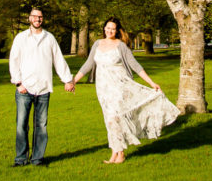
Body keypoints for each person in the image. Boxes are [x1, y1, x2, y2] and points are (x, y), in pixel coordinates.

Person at [72, 17, 179, 164]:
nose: (109, 30)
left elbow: (135, 65)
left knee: (115, 118)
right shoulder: (97, 44)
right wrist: (73, 81)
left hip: (119, 87)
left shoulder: (121, 46)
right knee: (109, 119)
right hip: (103, 89)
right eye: (107, 27)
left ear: (117, 31)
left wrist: (151, 82)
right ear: (104, 28)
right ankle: (115, 152)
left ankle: (120, 153)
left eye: (113, 28)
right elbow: (88, 64)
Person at [8, 7, 75, 167]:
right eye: (35, 16)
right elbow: (14, 61)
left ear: (42, 20)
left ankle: (37, 159)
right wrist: (18, 83)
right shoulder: (21, 38)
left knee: (41, 126)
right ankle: (21, 159)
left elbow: (58, 60)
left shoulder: (49, 38)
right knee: (21, 125)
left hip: (43, 89)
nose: (37, 19)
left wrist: (67, 79)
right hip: (25, 89)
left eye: (40, 17)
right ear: (29, 18)